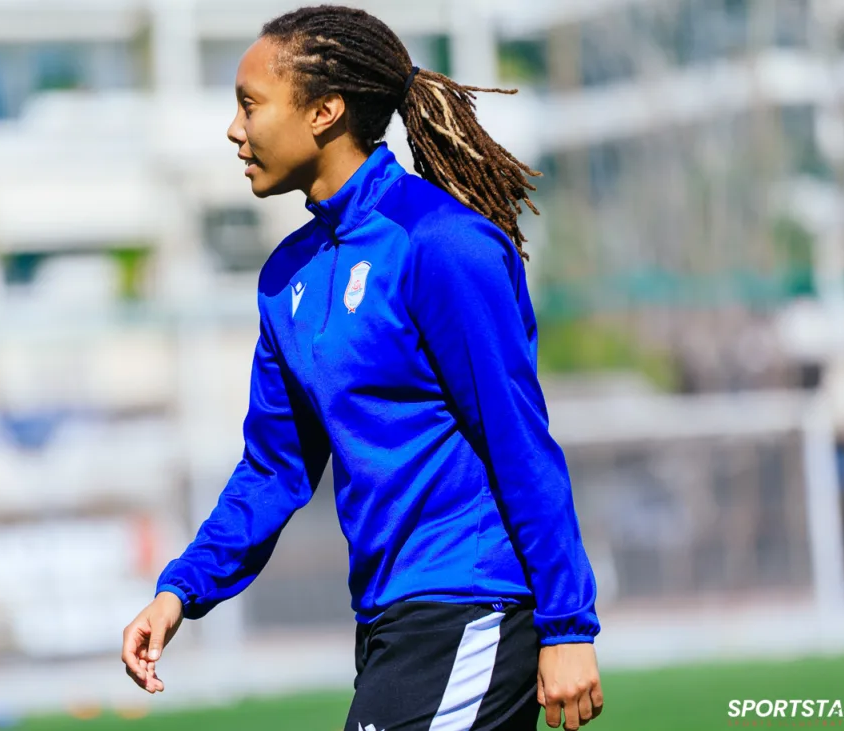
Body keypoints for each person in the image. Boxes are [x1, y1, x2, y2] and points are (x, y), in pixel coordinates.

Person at [122, 6, 603, 730]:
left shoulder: (439, 243)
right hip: (387, 622)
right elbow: (273, 469)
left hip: (473, 606)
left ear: (325, 111)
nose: (234, 130)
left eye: (250, 105)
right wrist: (180, 591)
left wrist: (567, 625)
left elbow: (518, 439)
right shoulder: (286, 278)